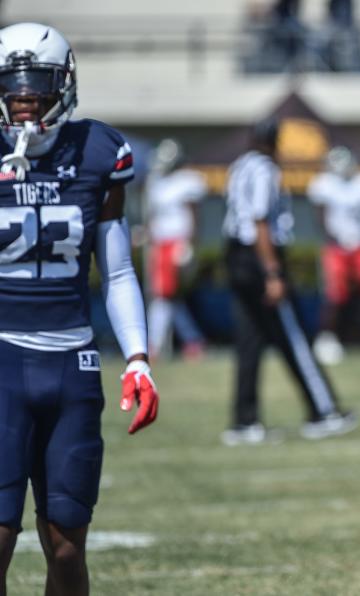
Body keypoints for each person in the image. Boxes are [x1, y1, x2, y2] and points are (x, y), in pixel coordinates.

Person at [0, 23, 158, 596]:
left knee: (67, 544)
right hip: (2, 362)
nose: (25, 102)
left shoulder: (98, 151)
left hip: (72, 365)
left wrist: (138, 358)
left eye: (37, 87)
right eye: (14, 88)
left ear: (63, 87)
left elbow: (116, 270)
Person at [221, 117, 357, 446]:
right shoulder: (265, 169)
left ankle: (244, 420)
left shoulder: (240, 165)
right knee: (293, 336)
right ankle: (323, 411)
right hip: (259, 257)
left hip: (236, 255)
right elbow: (260, 221)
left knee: (250, 341)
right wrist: (272, 272)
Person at [306, 145, 360, 365]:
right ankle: (327, 338)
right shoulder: (323, 184)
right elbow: (321, 218)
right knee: (336, 294)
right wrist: (334, 240)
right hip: (338, 246)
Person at [144, 138, 207, 360]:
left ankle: (155, 344)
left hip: (177, 242)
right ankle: (192, 341)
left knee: (164, 297)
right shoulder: (158, 182)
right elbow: (153, 217)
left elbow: (193, 215)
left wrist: (190, 243)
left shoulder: (187, 181)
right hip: (160, 244)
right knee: (167, 297)